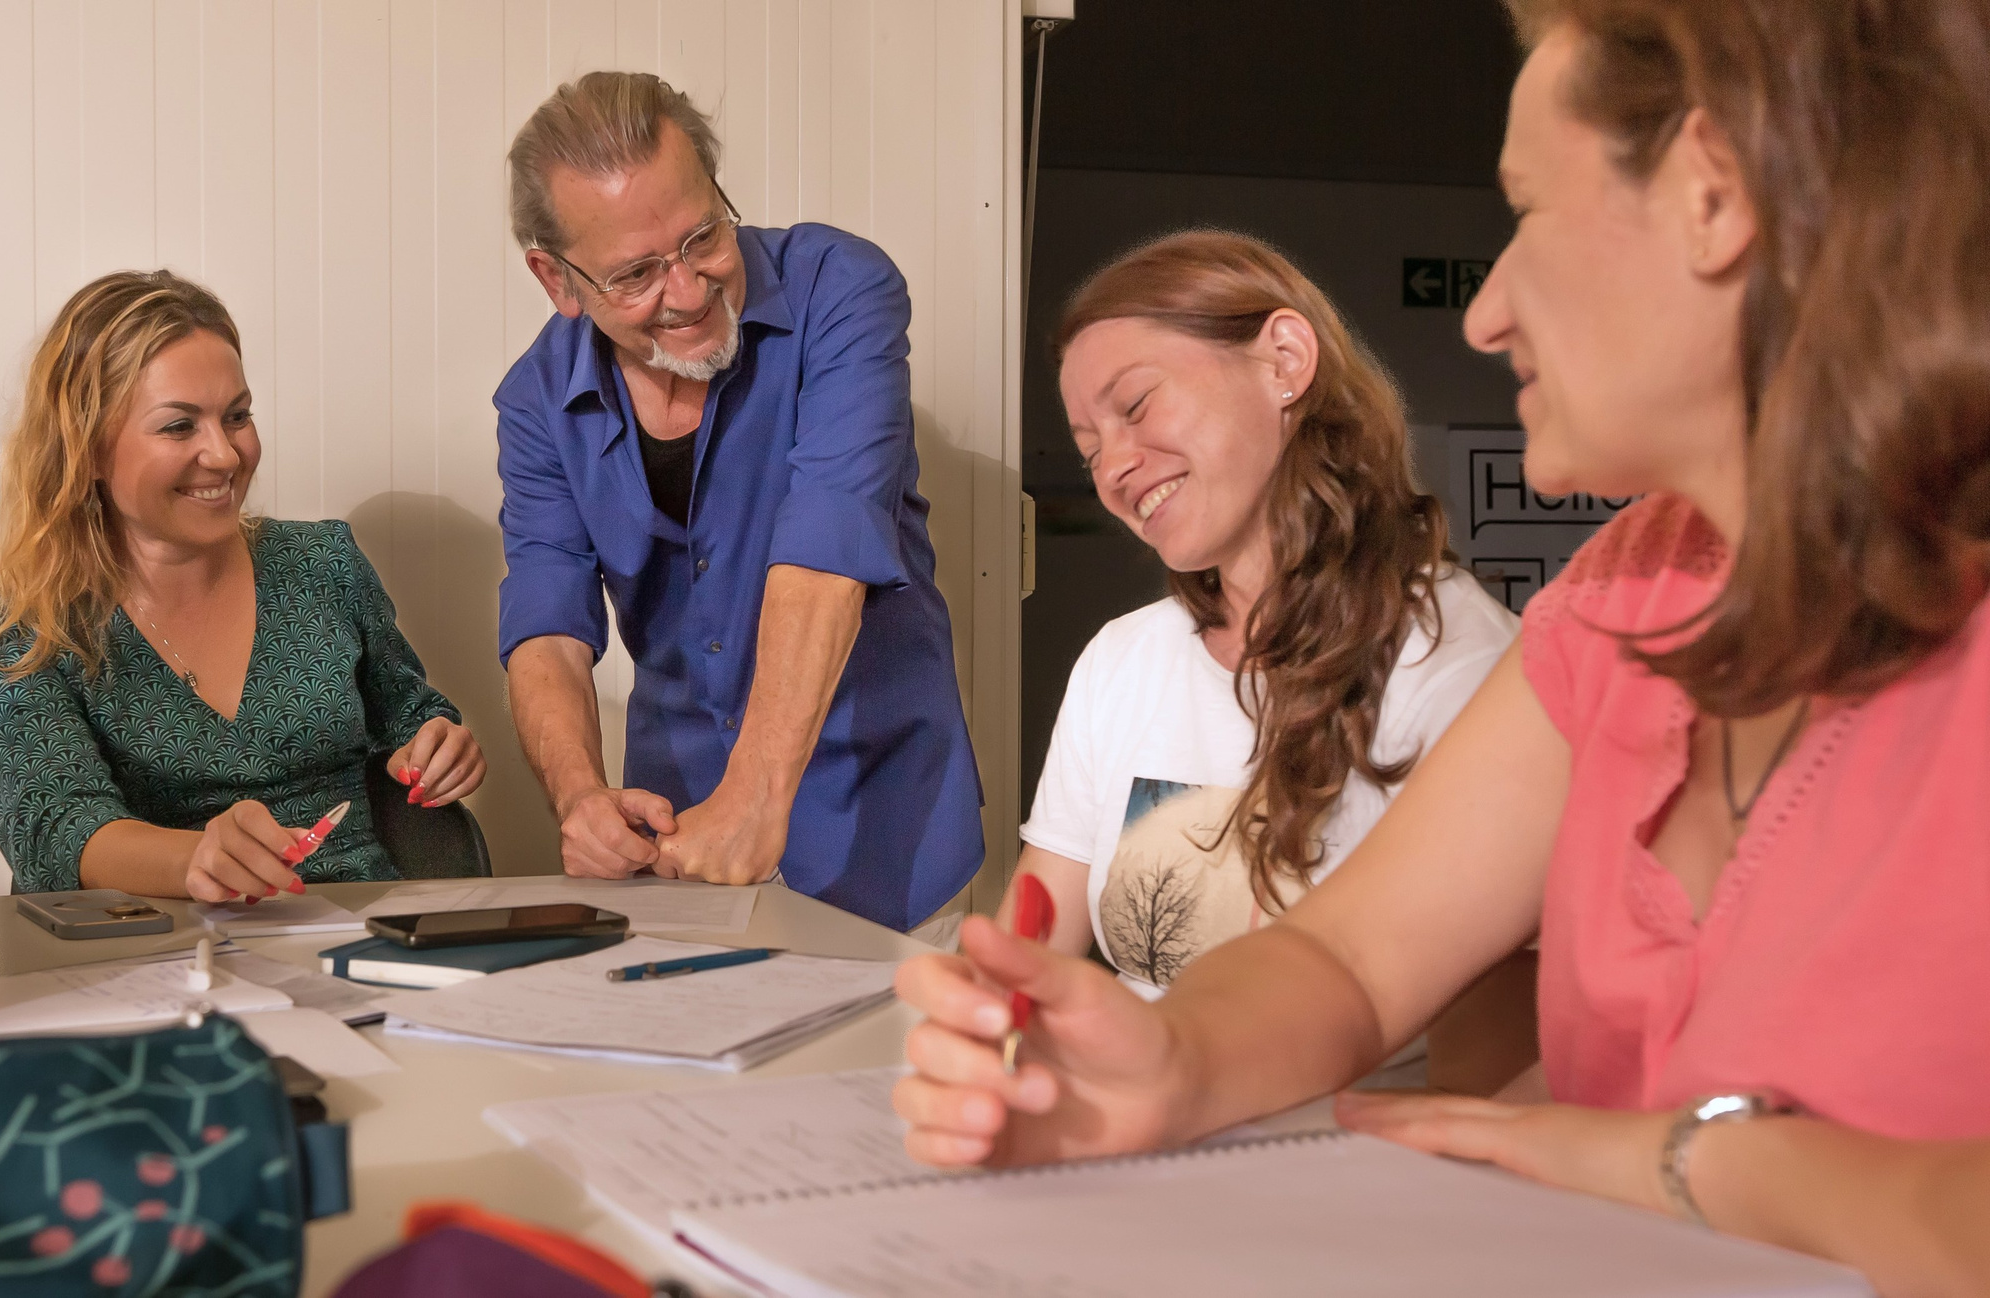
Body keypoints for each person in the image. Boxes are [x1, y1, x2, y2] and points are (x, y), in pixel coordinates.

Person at [892, 0, 1990, 1290]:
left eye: (1524, 210)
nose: (1484, 315)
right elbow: (1349, 957)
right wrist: (1169, 1061)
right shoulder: (1616, 600)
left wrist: (1683, 1161)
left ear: (1712, 192)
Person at [495, 71, 982, 931]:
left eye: (702, 237)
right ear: (556, 278)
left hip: (884, 832)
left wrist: (756, 800)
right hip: (677, 847)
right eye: (636, 273)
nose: (685, 291)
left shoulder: (842, 290)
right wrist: (580, 799)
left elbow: (828, 546)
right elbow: (549, 628)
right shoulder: (533, 403)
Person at [1019, 230, 1516, 997]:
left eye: (1137, 405)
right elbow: (1034, 939)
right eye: (1090, 449)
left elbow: (1475, 1025)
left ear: (1283, 360)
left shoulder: (1458, 661)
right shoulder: (1122, 660)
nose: (1113, 468)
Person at [0, 270, 485, 902]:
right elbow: (53, 830)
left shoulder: (323, 562)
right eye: (179, 426)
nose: (225, 454)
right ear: (89, 448)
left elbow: (410, 716)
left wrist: (436, 745)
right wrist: (200, 859)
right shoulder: (27, 625)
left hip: (361, 930)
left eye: (236, 416)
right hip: (151, 954)